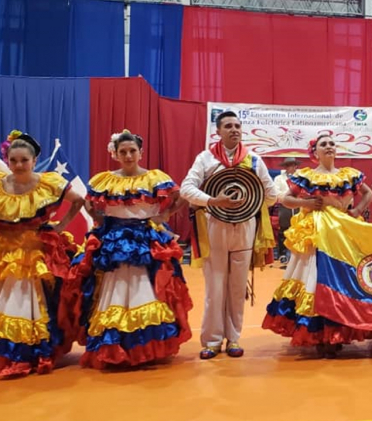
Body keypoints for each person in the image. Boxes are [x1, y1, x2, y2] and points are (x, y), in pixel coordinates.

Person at [70, 130, 192, 369]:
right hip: (113, 239)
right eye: (123, 152)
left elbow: (182, 196)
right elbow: (89, 203)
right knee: (114, 287)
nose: (128, 155)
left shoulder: (155, 178)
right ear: (115, 154)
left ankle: (144, 347)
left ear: (141, 153)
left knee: (146, 287)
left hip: (146, 240)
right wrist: (99, 219)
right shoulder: (104, 179)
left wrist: (165, 214)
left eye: (132, 151)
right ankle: (116, 346)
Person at [262, 134, 372, 358]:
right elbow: (285, 199)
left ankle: (338, 330)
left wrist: (357, 210)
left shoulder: (348, 175)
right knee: (315, 278)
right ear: (315, 152)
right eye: (324, 144)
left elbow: (368, 193)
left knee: (342, 279)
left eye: (332, 144)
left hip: (342, 232)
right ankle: (318, 331)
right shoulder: (307, 176)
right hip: (316, 232)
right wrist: (306, 203)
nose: (330, 147)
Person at [181, 111, 277, 360]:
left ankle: (234, 338)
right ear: (218, 131)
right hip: (215, 226)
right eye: (228, 126)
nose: (234, 129)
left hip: (245, 227)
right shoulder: (206, 159)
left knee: (236, 288)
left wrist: (251, 204)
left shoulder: (254, 160)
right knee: (215, 286)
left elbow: (272, 194)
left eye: (237, 125)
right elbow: (186, 189)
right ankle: (211, 341)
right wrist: (213, 200)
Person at [0, 130, 83, 378]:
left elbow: (78, 200)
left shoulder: (47, 183)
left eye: (24, 160)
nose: (18, 165)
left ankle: (32, 351)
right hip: (6, 252)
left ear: (34, 161)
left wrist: (61, 226)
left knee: (28, 300)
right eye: (13, 160)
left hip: (36, 252)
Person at [273, 157, 301, 264]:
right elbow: (276, 192)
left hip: (299, 205)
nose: (289, 167)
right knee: (284, 230)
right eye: (287, 165)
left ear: (295, 166)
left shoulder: (301, 178)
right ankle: (283, 254)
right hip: (285, 205)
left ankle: (297, 253)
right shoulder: (278, 178)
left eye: (292, 165)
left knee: (299, 229)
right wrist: (287, 198)